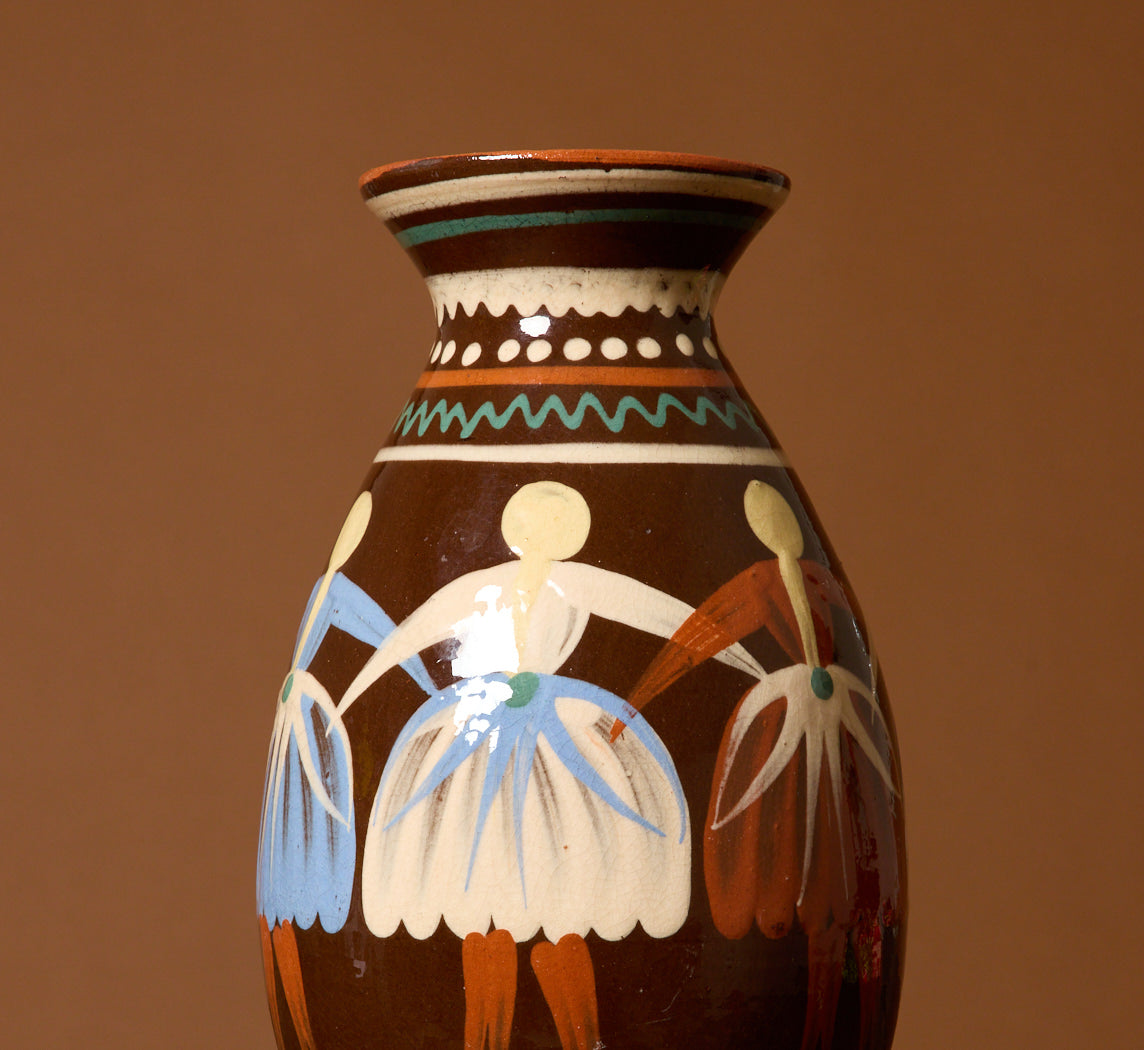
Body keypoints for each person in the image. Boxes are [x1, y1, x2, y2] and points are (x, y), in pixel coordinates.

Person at [337, 480, 760, 1050]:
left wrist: (742, 660)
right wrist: (359, 692)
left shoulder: (570, 581)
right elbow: (405, 639)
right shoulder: (490, 584)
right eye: (537, 524)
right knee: (479, 874)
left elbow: (664, 617)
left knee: (562, 869)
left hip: (551, 727)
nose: (543, 534)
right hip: (489, 725)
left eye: (554, 526)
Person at [256, 491, 433, 1050]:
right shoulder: (335, 588)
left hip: (308, 713)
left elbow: (392, 643)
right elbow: (393, 643)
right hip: (308, 717)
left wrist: (424, 688)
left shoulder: (337, 588)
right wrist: (418, 689)